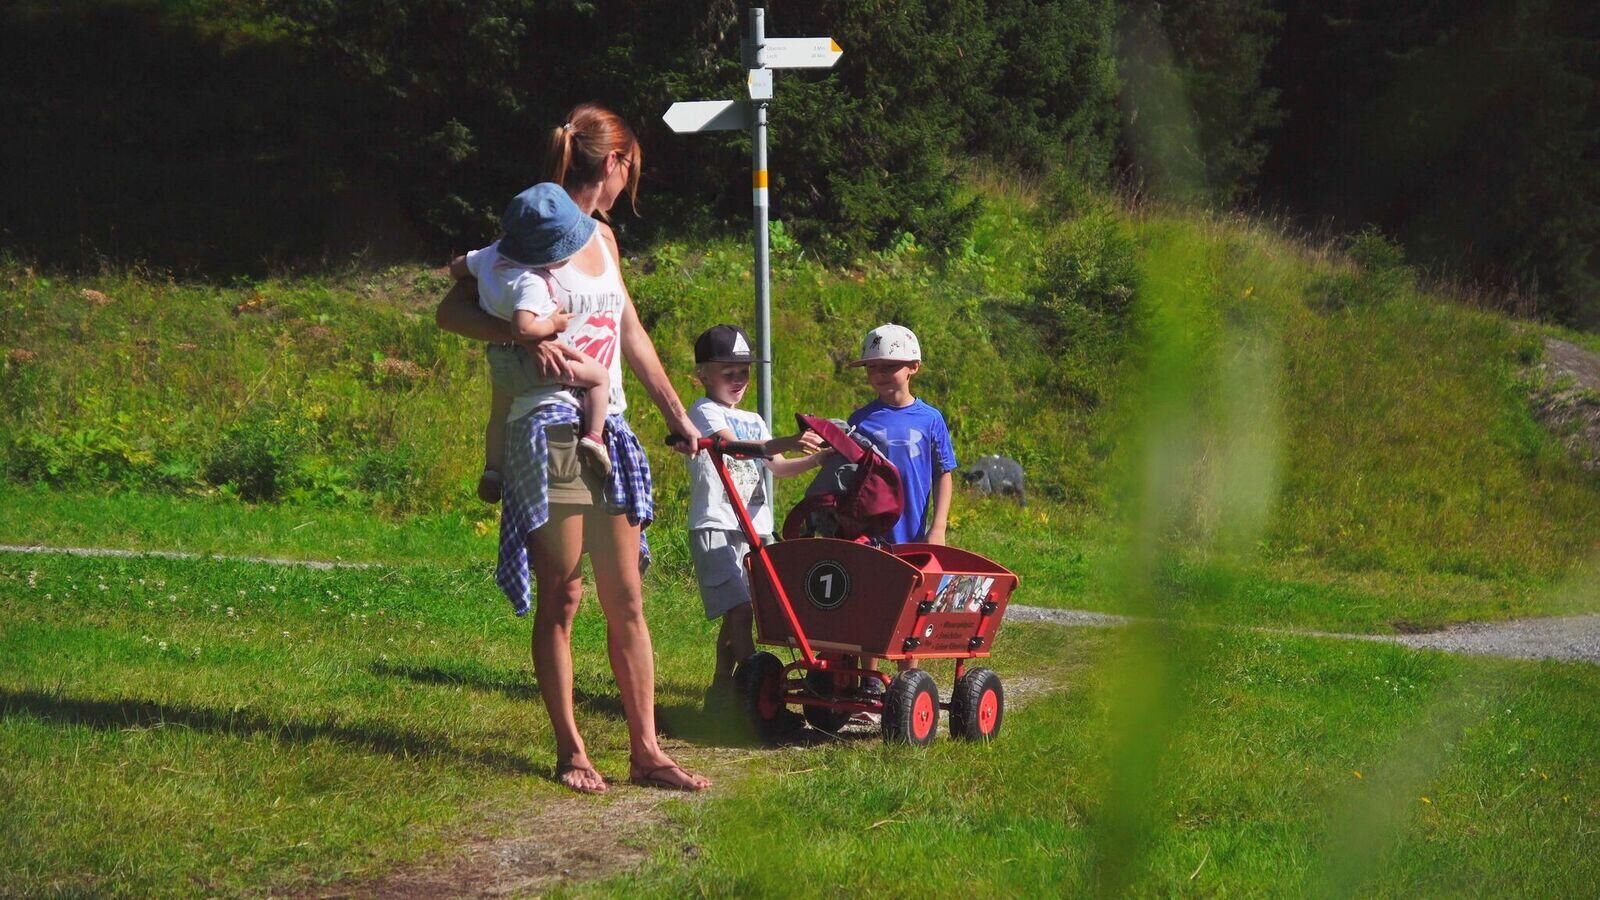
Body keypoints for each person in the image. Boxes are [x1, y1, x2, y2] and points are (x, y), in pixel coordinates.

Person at [435, 102, 709, 794]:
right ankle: (572, 751)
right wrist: (521, 333)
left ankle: (647, 753)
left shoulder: (604, 239)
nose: (629, 182)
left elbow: (629, 334)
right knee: (565, 594)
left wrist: (678, 415)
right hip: (553, 426)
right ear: (613, 162)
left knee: (627, 598)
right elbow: (450, 309)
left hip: (607, 426)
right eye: (630, 169)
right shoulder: (533, 234)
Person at [685, 324, 827, 707]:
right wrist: (790, 440)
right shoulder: (703, 411)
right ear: (703, 374)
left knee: (742, 612)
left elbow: (777, 467)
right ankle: (756, 688)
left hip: (755, 529)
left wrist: (819, 458)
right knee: (741, 608)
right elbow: (734, 448)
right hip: (718, 524)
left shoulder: (754, 418)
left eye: (744, 372)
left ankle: (721, 688)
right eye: (728, 372)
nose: (738, 380)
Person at [448, 183, 613, 505]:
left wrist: (480, 279)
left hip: (501, 360)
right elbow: (523, 327)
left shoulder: (490, 255)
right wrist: (553, 324)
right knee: (599, 377)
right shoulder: (531, 282)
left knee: (499, 414)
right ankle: (595, 438)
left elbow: (456, 267)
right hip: (535, 362)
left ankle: (493, 470)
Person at [846, 324, 958, 546]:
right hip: (867, 539)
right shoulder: (859, 420)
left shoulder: (931, 419)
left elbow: (943, 473)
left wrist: (938, 528)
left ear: (913, 367)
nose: (879, 374)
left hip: (913, 534)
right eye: (872, 366)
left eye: (889, 366)